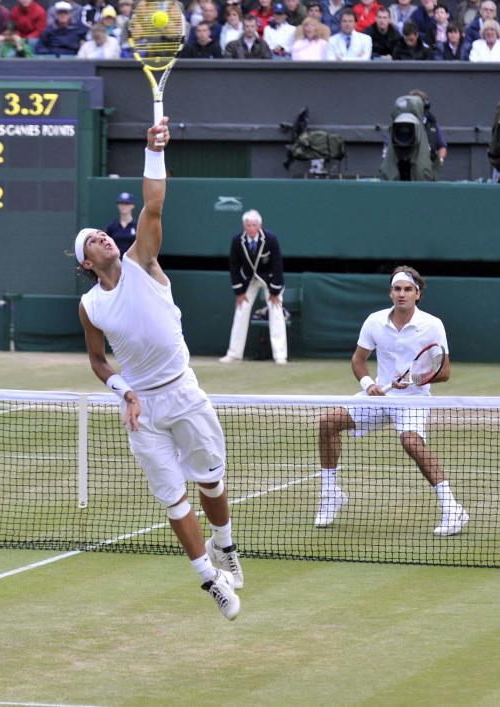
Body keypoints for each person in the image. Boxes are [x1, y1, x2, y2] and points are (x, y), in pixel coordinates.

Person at [76, 119, 243, 621]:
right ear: (85, 263)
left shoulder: (142, 261)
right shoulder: (90, 306)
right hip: (143, 409)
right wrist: (124, 391)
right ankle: (209, 580)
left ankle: (227, 547)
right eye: (92, 241)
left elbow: (153, 205)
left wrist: (153, 151)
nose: (102, 239)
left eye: (103, 234)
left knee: (211, 483)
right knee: (173, 500)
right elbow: (98, 362)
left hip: (184, 393)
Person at [315, 266, 469, 537]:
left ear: (417, 294)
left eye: (408, 289)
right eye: (397, 289)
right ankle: (331, 495)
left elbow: (443, 372)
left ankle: (452, 508)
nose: (402, 294)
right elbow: (358, 361)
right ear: (390, 292)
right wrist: (368, 384)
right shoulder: (374, 321)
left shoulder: (433, 325)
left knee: (411, 442)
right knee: (328, 422)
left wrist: (412, 381)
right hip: (380, 397)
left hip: (414, 399)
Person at [219, 209, 287, 365]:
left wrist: (275, 291)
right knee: (241, 311)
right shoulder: (237, 240)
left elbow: (277, 264)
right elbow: (234, 265)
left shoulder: (270, 238)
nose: (251, 228)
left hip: (269, 279)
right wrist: (239, 292)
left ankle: (280, 355)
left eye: (254, 225)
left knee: (276, 311)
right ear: (244, 226)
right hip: (248, 279)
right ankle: (234, 353)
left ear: (260, 225)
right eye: (248, 225)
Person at [104, 191, 137, 255]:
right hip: (115, 262)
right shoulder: (111, 227)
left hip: (132, 262)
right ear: (118, 205)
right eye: (121, 203)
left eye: (127, 203)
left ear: (132, 205)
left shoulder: (137, 226)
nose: (124, 206)